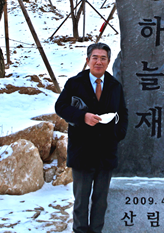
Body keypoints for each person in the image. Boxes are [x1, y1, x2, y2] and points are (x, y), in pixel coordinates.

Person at [55, 42, 128, 233]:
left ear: (108, 62)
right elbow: (60, 106)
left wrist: (117, 134)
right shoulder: (74, 83)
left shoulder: (114, 86)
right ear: (87, 60)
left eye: (103, 58)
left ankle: (97, 231)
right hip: (82, 151)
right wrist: (82, 117)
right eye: (95, 57)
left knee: (100, 200)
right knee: (81, 200)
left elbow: (123, 113)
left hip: (106, 151)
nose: (99, 62)